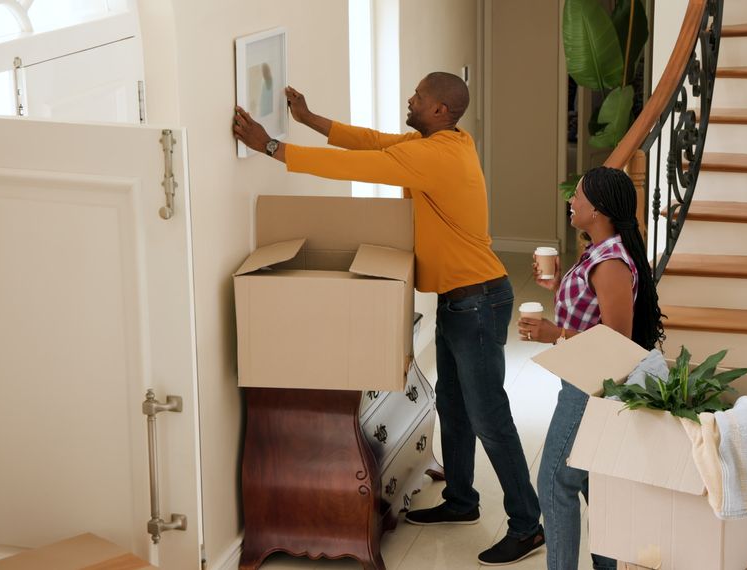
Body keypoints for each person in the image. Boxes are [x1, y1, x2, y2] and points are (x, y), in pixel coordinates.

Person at [233, 72, 545, 566]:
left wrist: (271, 146)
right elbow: (371, 142)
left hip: (478, 301)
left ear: (441, 110)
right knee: (456, 406)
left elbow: (348, 165)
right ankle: (462, 501)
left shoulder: (435, 156)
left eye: (419, 97)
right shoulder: (442, 141)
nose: (411, 99)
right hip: (462, 299)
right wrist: (310, 119)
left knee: (489, 415)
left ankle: (528, 526)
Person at [517, 167, 665, 570]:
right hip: (585, 381)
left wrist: (553, 333)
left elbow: (614, 341)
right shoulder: (599, 252)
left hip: (592, 388)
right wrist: (559, 287)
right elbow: (594, 317)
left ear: (597, 209)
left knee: (552, 485)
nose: (571, 200)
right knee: (590, 483)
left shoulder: (610, 261)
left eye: (577, 195)